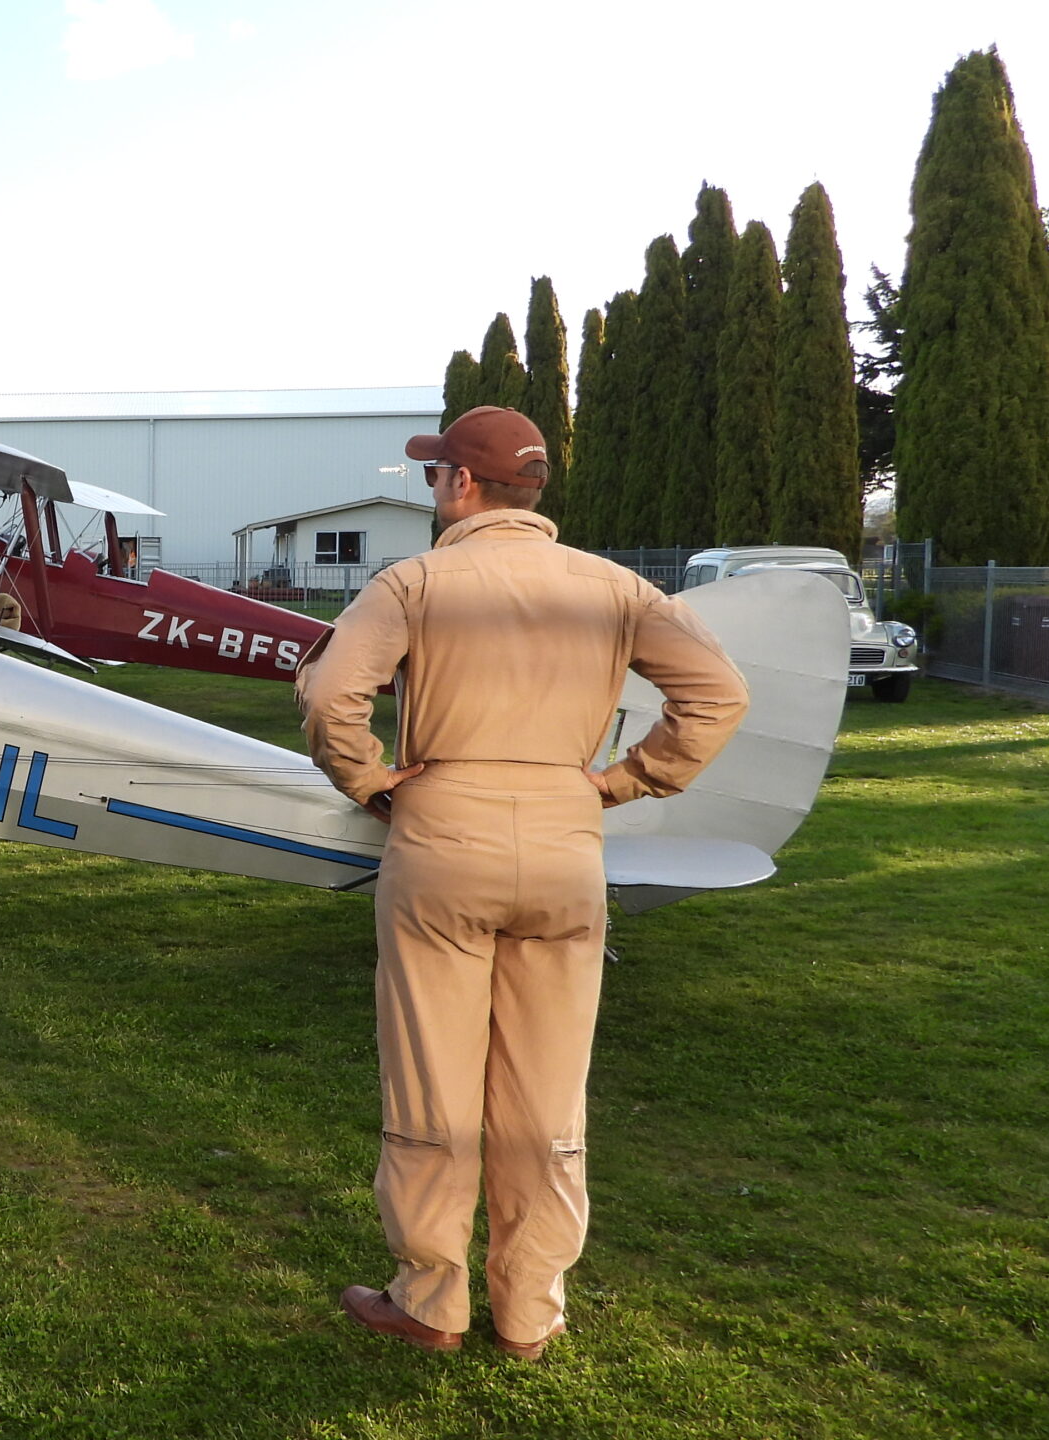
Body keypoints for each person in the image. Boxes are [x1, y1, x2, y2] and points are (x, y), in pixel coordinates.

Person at [295, 406, 749, 1360]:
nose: (435, 487)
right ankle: (531, 1312)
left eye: (436, 473)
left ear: (462, 484)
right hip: (564, 843)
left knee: (433, 1079)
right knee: (548, 1091)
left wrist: (369, 780)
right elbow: (718, 694)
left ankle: (431, 1298)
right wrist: (623, 782)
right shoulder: (616, 587)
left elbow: (331, 693)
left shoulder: (414, 582)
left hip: (441, 838)